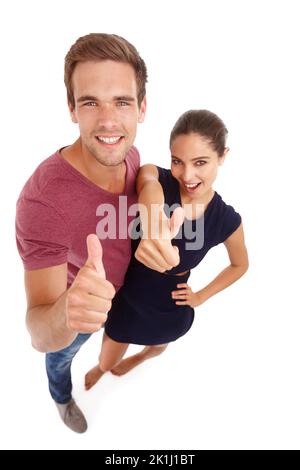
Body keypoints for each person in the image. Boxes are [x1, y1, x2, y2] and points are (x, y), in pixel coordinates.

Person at [15, 33, 181, 434]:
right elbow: (39, 332)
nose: (108, 121)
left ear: (142, 108)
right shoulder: (42, 203)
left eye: (121, 102)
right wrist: (69, 310)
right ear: (72, 109)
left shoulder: (130, 152)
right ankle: (61, 396)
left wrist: (151, 191)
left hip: (124, 296)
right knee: (58, 359)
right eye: (90, 102)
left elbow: (142, 171)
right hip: (78, 316)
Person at [84, 109, 249, 389]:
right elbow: (149, 187)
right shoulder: (153, 176)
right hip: (130, 293)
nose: (187, 175)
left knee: (158, 346)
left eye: (201, 162)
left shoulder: (227, 219)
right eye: (177, 161)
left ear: (223, 156)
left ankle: (142, 357)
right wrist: (153, 224)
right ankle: (102, 369)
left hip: (170, 304)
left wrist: (200, 297)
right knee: (107, 359)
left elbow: (240, 265)